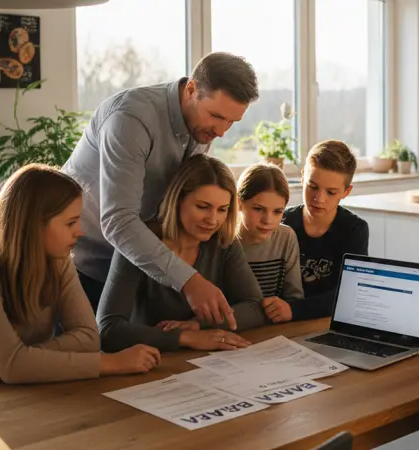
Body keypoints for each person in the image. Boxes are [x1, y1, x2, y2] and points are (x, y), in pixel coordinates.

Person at [62, 52, 259, 330]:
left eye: (231, 121)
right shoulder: (130, 119)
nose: (222, 131)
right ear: (191, 89)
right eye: (216, 116)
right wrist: (190, 280)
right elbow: (118, 221)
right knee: (85, 361)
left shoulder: (202, 126)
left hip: (138, 267)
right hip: (80, 264)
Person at [0, 165, 160, 384]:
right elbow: (12, 366)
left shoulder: (58, 261)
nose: (80, 231)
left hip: (29, 391)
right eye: (70, 223)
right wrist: (114, 363)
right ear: (34, 225)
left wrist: (10, 361)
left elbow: (88, 339)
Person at [97, 155, 264, 353]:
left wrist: (197, 325)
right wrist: (186, 337)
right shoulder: (138, 243)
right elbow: (107, 330)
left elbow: (255, 307)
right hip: (150, 362)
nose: (213, 220)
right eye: (203, 207)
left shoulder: (224, 243)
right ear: (177, 201)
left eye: (222, 210)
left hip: (205, 361)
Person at [277, 140, 369, 321]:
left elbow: (350, 292)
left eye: (331, 192)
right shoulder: (281, 221)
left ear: (346, 192)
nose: (319, 198)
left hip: (328, 321)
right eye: (313, 186)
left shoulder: (354, 229)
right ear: (303, 177)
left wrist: (294, 310)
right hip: (281, 321)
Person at [236, 164, 304, 324]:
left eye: (277, 212)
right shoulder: (224, 240)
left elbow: (294, 298)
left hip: (273, 328)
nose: (268, 220)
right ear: (239, 203)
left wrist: (286, 308)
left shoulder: (286, 237)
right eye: (258, 209)